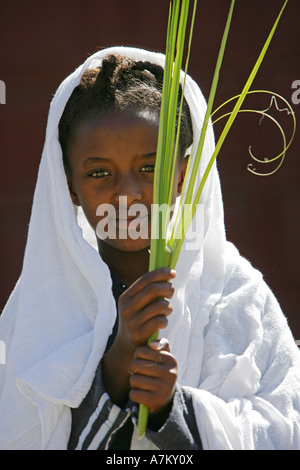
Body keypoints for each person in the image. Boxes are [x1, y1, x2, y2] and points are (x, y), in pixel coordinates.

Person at [0, 46, 299, 450]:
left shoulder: (236, 294)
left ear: (182, 176)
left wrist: (170, 411)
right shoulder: (40, 309)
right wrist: (115, 367)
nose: (127, 195)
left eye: (150, 168)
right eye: (100, 173)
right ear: (68, 185)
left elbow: (284, 428)